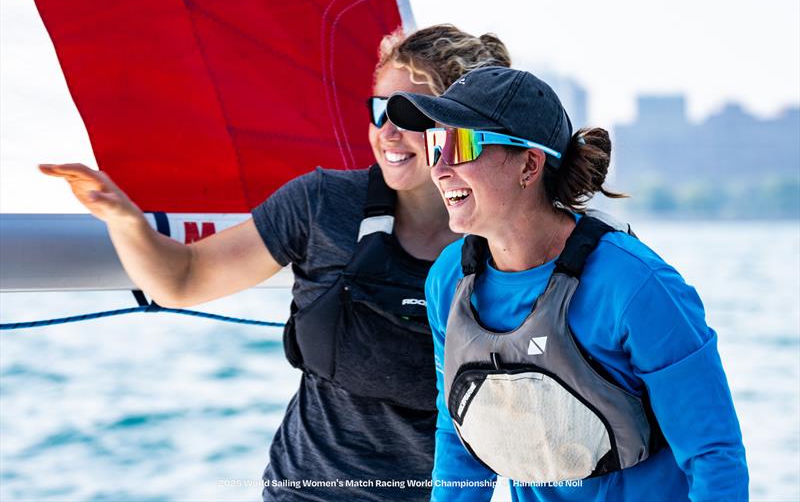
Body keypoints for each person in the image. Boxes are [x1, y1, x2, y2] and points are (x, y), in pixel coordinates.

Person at [38, 25, 511, 501]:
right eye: (379, 110)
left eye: (408, 114)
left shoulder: (506, 243)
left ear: (461, 126)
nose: (386, 132)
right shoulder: (323, 205)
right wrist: (123, 218)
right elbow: (183, 279)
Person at [386, 66, 749, 501]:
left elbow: (714, 456)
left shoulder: (635, 287)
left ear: (529, 164)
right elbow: (457, 437)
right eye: (435, 144)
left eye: (460, 144)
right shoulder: (449, 281)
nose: (440, 168)